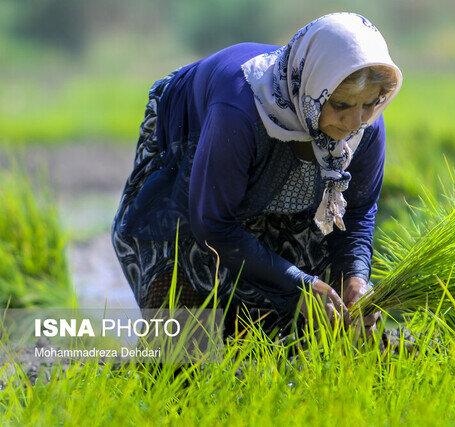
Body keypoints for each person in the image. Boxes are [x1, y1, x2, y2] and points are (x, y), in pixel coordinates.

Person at [111, 12, 403, 337]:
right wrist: (299, 285)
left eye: (368, 105)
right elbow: (213, 224)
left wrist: (356, 278)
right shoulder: (238, 112)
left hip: (266, 158)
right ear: (313, 90)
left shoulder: (367, 125)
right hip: (198, 142)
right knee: (184, 339)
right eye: (341, 105)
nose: (354, 122)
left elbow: (358, 211)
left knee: (303, 327)